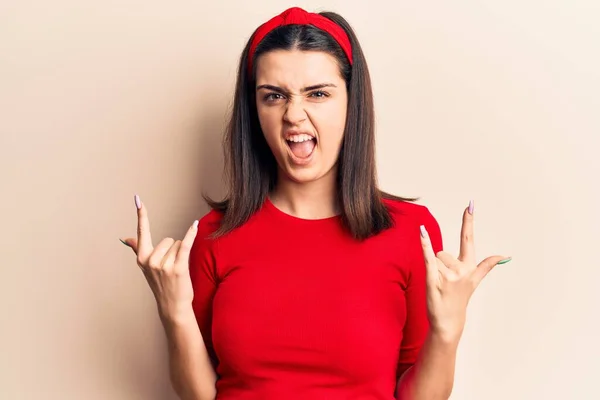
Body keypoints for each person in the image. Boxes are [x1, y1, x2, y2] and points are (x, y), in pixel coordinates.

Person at [119, 6, 512, 400]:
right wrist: (173, 312)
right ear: (254, 110)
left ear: (351, 101)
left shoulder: (411, 231)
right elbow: (201, 395)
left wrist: (448, 330)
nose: (294, 115)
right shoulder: (211, 235)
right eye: (273, 96)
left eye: (318, 94)